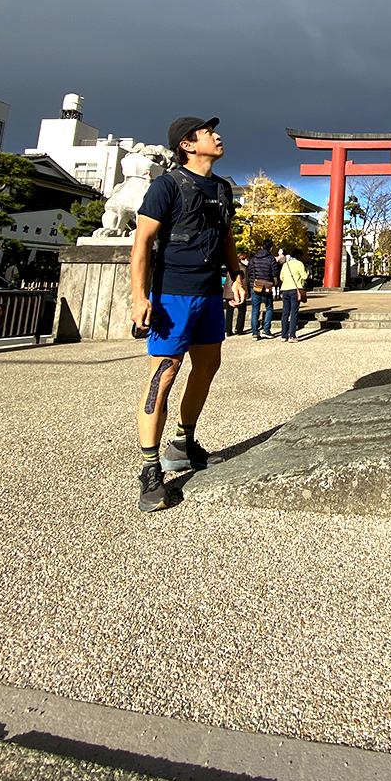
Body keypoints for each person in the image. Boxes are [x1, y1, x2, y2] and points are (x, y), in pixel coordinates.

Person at [130, 116, 245, 513]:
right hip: (171, 295)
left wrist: (237, 275)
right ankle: (149, 470)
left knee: (208, 365)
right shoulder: (166, 186)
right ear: (187, 145)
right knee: (163, 376)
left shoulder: (223, 188)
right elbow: (142, 242)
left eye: (215, 130)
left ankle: (183, 442)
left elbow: (227, 237)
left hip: (210, 294)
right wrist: (139, 297)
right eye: (207, 132)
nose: (217, 135)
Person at [247, 239, 279, 340]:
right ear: (271, 248)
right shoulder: (271, 259)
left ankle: (255, 332)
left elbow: (249, 271)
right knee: (269, 307)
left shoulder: (253, 258)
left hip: (255, 285)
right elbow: (274, 273)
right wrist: (275, 284)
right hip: (266, 286)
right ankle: (266, 329)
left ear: (261, 246)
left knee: (255, 309)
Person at [279, 250, 308, 343]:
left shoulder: (285, 265)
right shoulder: (299, 264)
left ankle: (283, 335)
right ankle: (292, 335)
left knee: (285, 312)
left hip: (285, 289)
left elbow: (281, 277)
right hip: (295, 289)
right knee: (294, 313)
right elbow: (304, 276)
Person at [223, 259, 247, 336]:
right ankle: (239, 328)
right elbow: (245, 282)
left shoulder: (229, 268)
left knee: (229, 312)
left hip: (228, 292)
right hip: (239, 292)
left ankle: (228, 329)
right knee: (242, 310)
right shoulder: (243, 268)